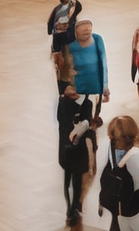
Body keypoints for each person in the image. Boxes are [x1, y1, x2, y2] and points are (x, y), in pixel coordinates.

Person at [98, 115, 139, 231]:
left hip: (122, 206)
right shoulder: (130, 154)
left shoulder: (132, 156)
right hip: (119, 205)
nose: (115, 143)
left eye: (116, 139)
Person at [58, 84, 97, 228]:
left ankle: (74, 206)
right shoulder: (63, 103)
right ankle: (70, 208)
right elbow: (61, 120)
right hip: (66, 148)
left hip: (80, 149)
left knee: (77, 179)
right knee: (68, 178)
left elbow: (87, 122)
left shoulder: (87, 103)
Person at [69, 19, 110, 125]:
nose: (87, 32)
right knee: (80, 114)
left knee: (92, 112)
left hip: (95, 86)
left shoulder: (97, 39)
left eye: (89, 31)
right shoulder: (71, 45)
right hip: (78, 87)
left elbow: (103, 64)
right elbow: (67, 68)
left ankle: (93, 120)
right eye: (83, 31)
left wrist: (105, 87)